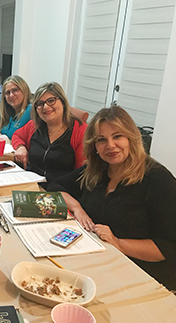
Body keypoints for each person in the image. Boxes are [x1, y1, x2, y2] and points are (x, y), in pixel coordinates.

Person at [47, 106, 176, 290]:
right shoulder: (97, 170)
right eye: (101, 140)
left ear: (131, 137)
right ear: (94, 146)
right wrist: (77, 208)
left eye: (117, 136)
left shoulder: (157, 180)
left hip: (143, 277)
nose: (110, 145)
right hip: (97, 262)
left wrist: (119, 243)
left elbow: (170, 247)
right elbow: (55, 187)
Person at [11, 81, 87, 187]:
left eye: (51, 101)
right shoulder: (34, 125)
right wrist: (21, 147)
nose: (45, 107)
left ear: (63, 102)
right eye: (40, 104)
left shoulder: (80, 131)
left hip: (62, 192)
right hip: (32, 186)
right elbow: (17, 135)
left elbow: (81, 174)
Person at [0, 75, 32, 139]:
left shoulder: (31, 110)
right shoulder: (9, 111)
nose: (11, 95)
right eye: (7, 93)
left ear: (24, 90)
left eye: (15, 90)